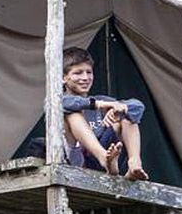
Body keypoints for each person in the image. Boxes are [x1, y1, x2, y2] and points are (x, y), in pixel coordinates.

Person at [60, 46, 148, 181]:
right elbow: (63, 103)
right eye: (78, 73)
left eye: (89, 72)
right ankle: (104, 158)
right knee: (73, 115)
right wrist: (100, 105)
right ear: (63, 78)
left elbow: (138, 106)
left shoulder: (106, 102)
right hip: (77, 164)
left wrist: (117, 110)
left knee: (126, 114)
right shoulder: (57, 101)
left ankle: (134, 164)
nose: (85, 77)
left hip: (110, 157)